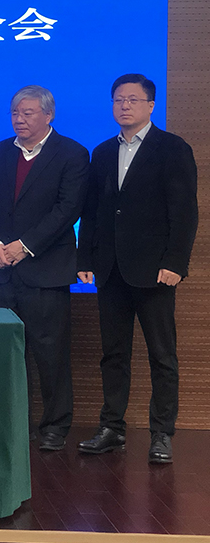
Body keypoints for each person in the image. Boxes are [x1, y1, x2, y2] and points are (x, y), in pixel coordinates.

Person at [77, 74, 198, 464]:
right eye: (118, 99)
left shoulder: (172, 148)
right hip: (110, 269)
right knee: (113, 354)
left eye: (132, 99)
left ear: (151, 105)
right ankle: (112, 428)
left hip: (155, 271)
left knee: (162, 355)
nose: (124, 106)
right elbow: (92, 212)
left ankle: (162, 434)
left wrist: (175, 263)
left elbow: (184, 212)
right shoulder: (102, 152)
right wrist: (85, 259)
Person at [0, 85, 89, 452]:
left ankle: (55, 426)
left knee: (50, 353)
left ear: (48, 115)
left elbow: (67, 209)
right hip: (2, 270)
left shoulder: (71, 153)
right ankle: (12, 422)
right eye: (15, 113)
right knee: (5, 352)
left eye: (27, 113)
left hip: (46, 271)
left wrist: (24, 246)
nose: (19, 120)